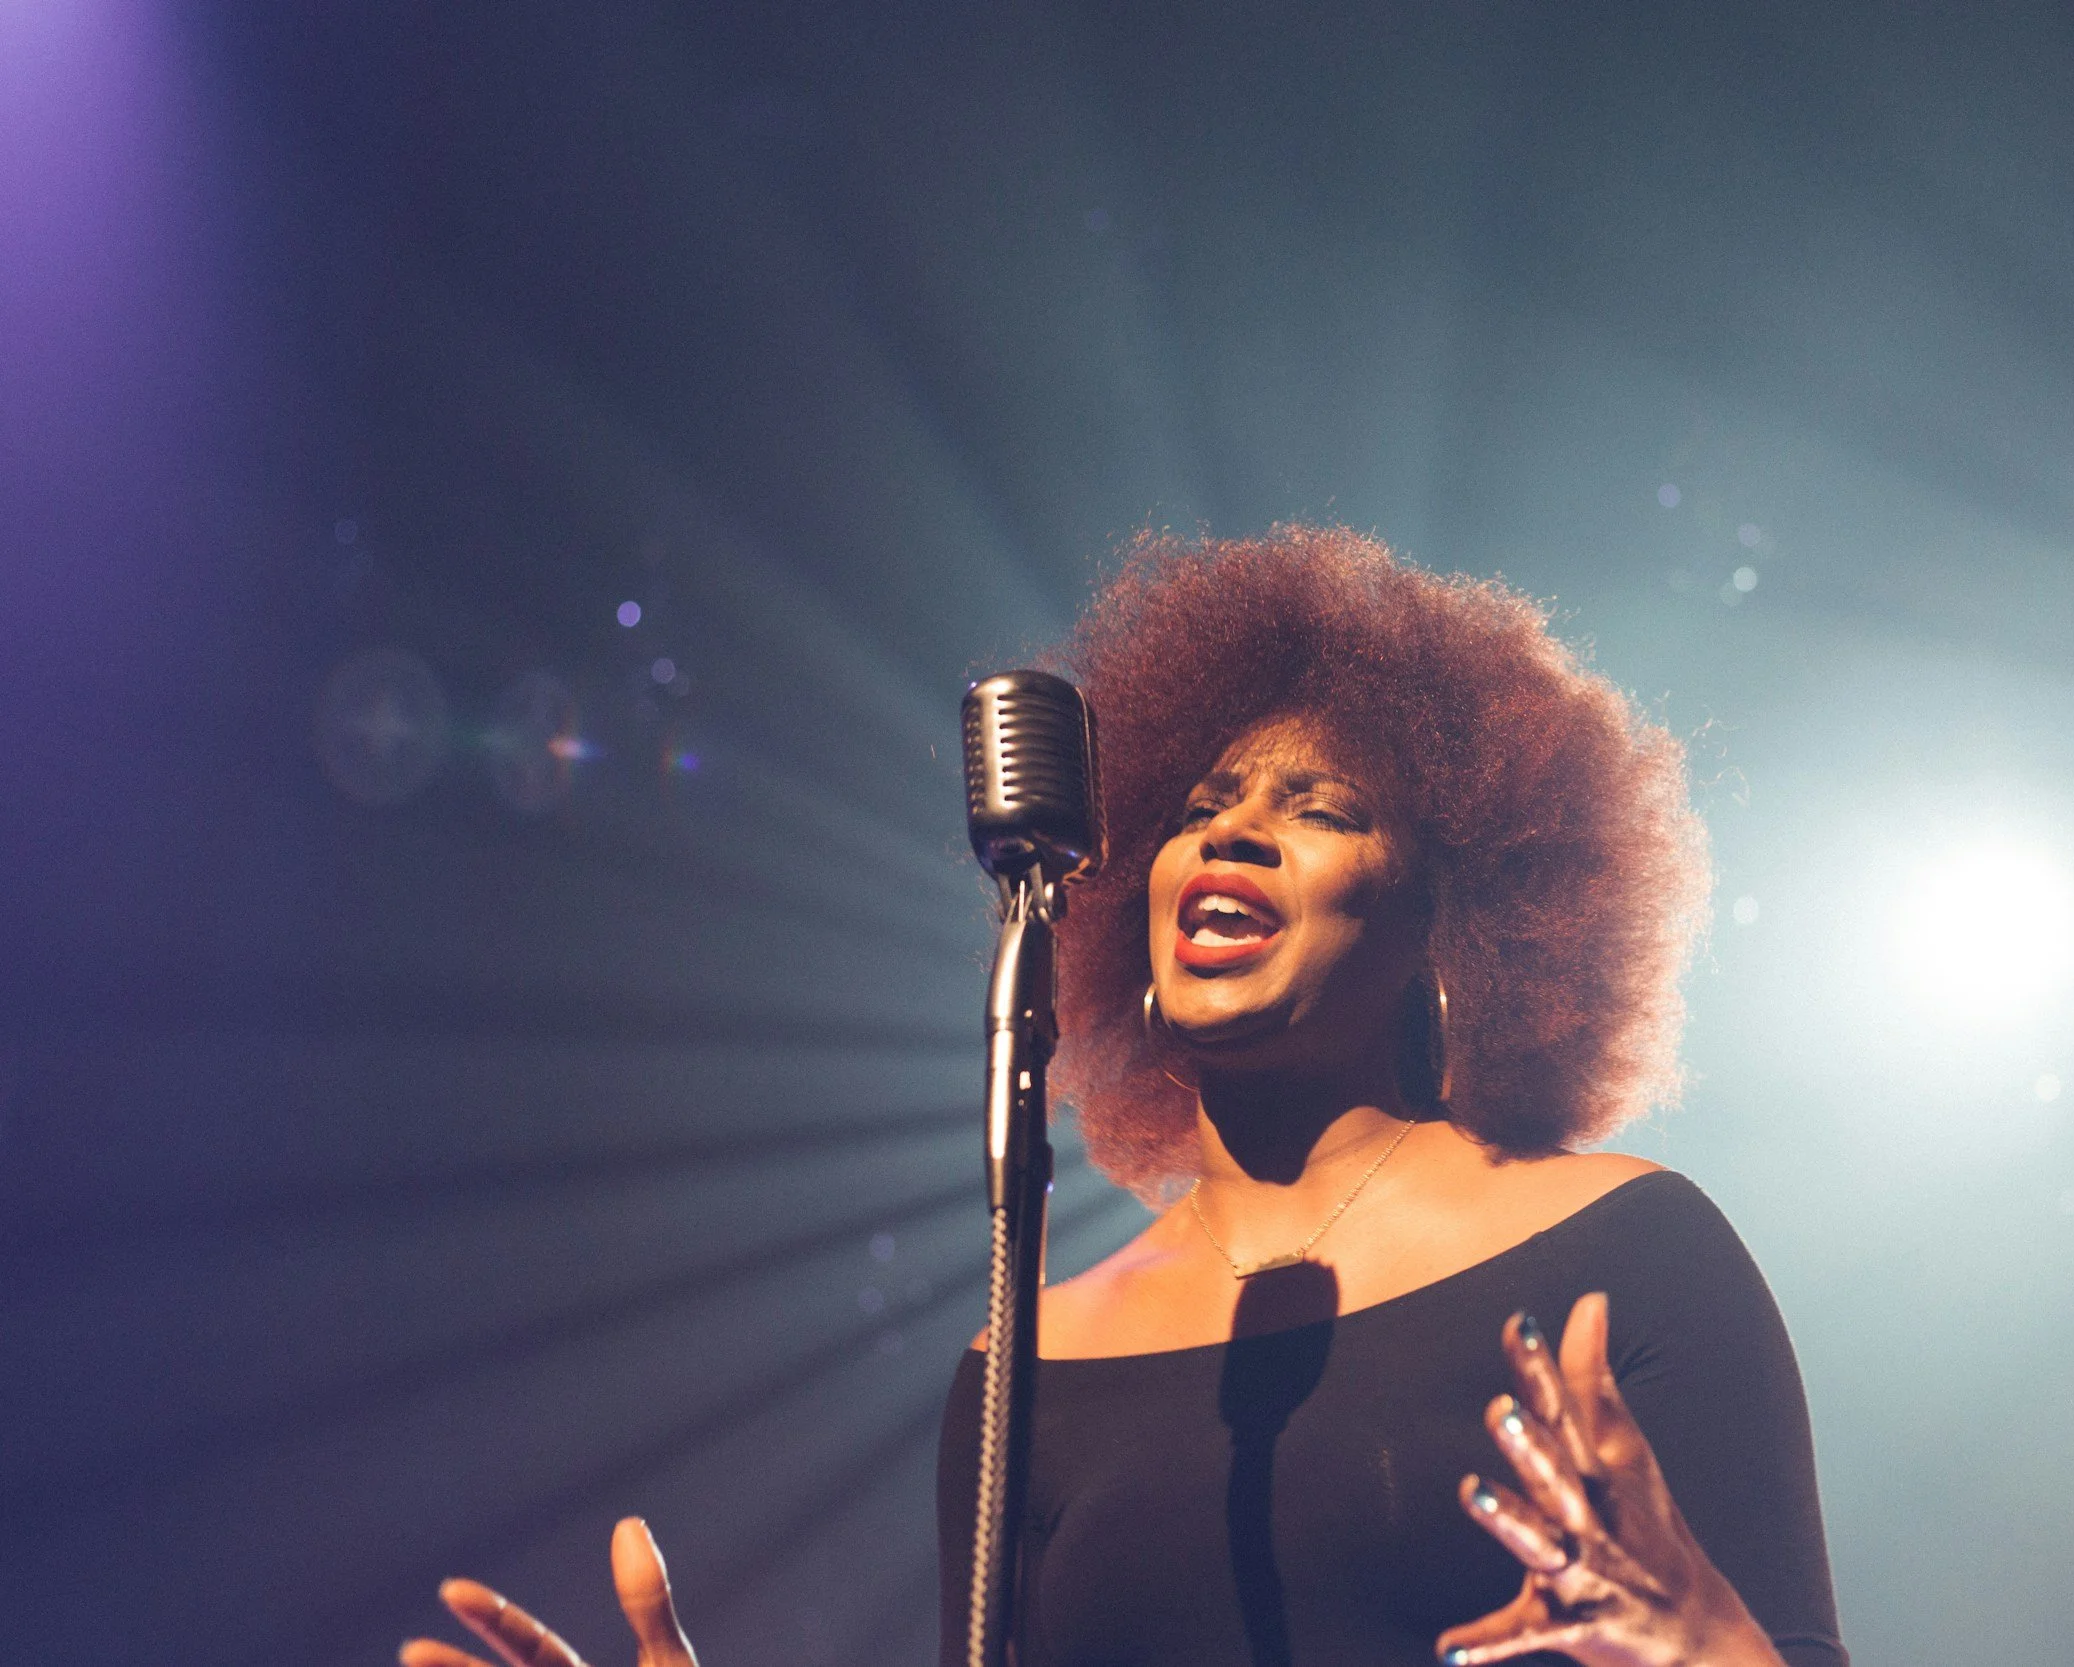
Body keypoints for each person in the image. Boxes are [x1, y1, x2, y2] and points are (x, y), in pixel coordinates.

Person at [402, 527, 1846, 1667]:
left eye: (1321, 807)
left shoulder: (1629, 1249)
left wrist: (1706, 1651)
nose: (1237, 830)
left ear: (1449, 930)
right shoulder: (1026, 1359)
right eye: (1204, 803)